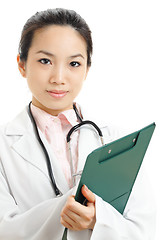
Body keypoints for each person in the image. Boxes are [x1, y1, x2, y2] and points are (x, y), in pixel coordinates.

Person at [0, 8, 156, 240]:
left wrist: (98, 220)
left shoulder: (117, 140)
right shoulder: (3, 146)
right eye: (45, 61)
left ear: (86, 70)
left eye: (74, 64)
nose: (59, 77)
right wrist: (66, 205)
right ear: (22, 65)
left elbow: (146, 230)